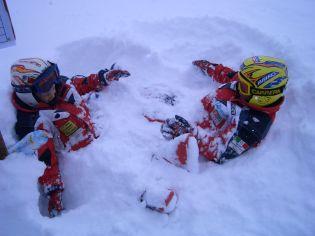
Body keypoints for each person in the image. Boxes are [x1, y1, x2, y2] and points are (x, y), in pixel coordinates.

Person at [10, 58, 130, 217]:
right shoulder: (36, 124)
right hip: (79, 152)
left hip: (92, 129)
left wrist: (103, 77)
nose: (53, 87)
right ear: (28, 93)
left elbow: (83, 83)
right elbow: (46, 160)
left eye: (53, 78)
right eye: (45, 86)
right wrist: (54, 192)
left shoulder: (61, 88)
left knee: (70, 88)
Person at [159, 56, 289, 170]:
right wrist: (209, 67)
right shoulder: (246, 85)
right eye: (240, 80)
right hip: (202, 110)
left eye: (243, 85)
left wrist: (190, 132)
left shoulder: (251, 127)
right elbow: (227, 75)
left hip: (199, 133)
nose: (237, 84)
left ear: (261, 96)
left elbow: (220, 152)